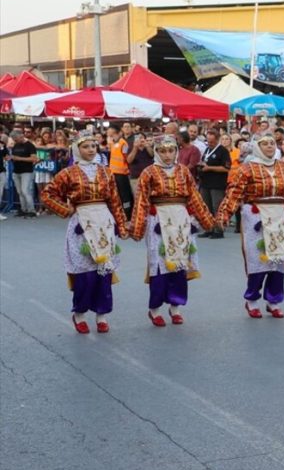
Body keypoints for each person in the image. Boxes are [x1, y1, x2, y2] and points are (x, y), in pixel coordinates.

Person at [40, 133, 129, 334]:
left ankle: (102, 314)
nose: (90, 150)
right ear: (76, 149)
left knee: (103, 270)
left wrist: (120, 226)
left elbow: (115, 201)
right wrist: (66, 209)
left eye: (93, 146)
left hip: (103, 223)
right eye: (86, 146)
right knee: (84, 273)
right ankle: (79, 313)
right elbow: (47, 194)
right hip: (81, 224)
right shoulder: (68, 173)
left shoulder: (107, 172)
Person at [130, 136, 215, 326]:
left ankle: (175, 306)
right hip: (158, 220)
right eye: (163, 151)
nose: (167, 155)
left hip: (180, 220)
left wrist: (207, 221)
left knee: (180, 264)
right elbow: (141, 201)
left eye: (171, 150)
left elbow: (194, 197)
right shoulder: (148, 173)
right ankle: (155, 309)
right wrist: (137, 228)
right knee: (160, 266)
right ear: (157, 152)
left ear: (176, 151)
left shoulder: (184, 171)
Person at [215, 134, 284, 319]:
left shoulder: (283, 167)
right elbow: (234, 193)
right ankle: (252, 300)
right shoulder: (247, 168)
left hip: (279, 216)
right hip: (256, 217)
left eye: (272, 143)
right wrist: (224, 214)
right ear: (257, 147)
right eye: (265, 144)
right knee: (258, 260)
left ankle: (274, 301)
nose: (270, 146)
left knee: (278, 260)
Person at [198, 129, 231, 239]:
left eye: (212, 142)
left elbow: (226, 168)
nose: (210, 143)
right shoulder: (207, 149)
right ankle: (209, 228)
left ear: (217, 140)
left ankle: (219, 230)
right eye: (208, 141)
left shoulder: (223, 151)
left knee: (217, 207)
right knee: (206, 207)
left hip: (217, 184)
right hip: (205, 182)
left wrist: (210, 168)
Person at [9, 129, 39, 217]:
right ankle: (23, 209)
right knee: (20, 192)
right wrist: (11, 158)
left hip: (27, 171)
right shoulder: (15, 145)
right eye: (14, 139)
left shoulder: (30, 145)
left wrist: (19, 158)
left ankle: (31, 210)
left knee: (25, 191)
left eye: (16, 139)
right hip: (16, 170)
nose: (15, 141)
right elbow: (14, 155)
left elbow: (34, 159)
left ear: (21, 136)